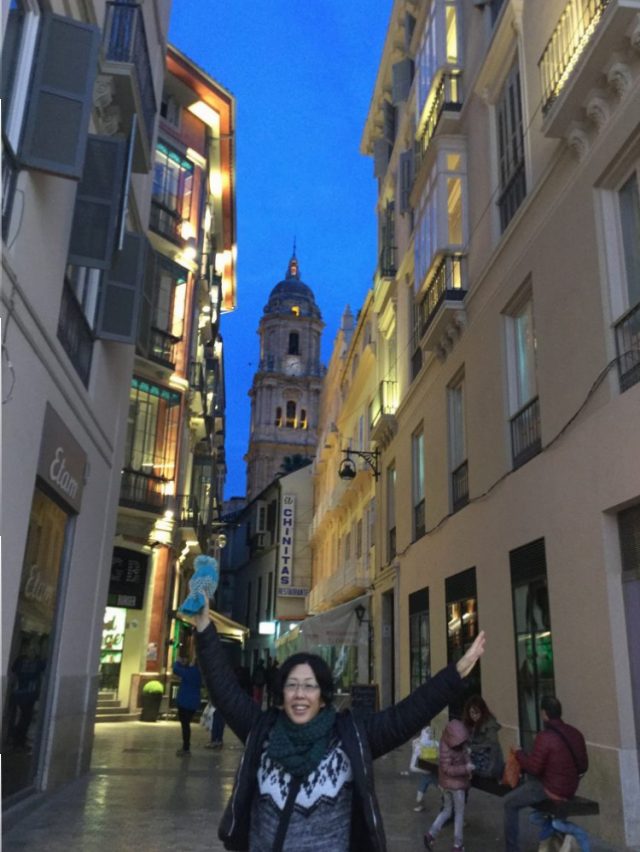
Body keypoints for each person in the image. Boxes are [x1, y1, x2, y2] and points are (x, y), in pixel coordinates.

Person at [194, 606, 485, 851]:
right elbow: (224, 691)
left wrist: (455, 674)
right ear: (281, 694)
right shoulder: (262, 731)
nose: (300, 694)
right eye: (292, 685)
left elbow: (404, 718)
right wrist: (204, 625)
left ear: (323, 698)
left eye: (309, 686)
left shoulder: (349, 737)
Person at [503, 695, 588, 852]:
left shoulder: (545, 737)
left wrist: (519, 753)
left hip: (550, 788)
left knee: (509, 803)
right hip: (570, 788)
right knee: (542, 813)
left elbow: (534, 768)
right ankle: (549, 842)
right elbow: (583, 766)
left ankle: (512, 848)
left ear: (544, 714)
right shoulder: (576, 733)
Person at [423, 719, 474, 852]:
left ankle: (431, 834)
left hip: (444, 784)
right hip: (457, 787)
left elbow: (464, 754)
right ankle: (458, 845)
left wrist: (468, 763)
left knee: (446, 810)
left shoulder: (445, 742)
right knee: (459, 814)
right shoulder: (455, 744)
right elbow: (448, 769)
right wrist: (466, 768)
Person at [462, 694, 504, 779]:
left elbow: (492, 744)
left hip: (488, 762)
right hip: (478, 758)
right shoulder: (470, 724)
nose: (474, 716)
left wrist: (472, 749)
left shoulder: (489, 725)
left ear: (482, 711)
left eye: (477, 713)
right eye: (472, 713)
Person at [173, 652, 202, 756]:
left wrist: (177, 661)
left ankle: (186, 748)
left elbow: (176, 669)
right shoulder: (199, 673)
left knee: (185, 725)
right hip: (194, 703)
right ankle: (186, 747)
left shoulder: (191, 672)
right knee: (186, 724)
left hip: (185, 703)